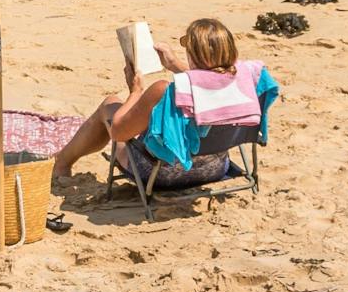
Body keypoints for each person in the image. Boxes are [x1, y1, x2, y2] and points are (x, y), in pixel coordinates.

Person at [50, 18, 269, 190]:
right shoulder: (247, 79)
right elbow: (209, 80)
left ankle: (62, 165)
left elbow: (118, 132)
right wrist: (174, 65)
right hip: (215, 168)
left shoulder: (162, 90)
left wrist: (135, 92)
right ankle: (63, 162)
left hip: (161, 175)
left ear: (193, 53)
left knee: (110, 105)